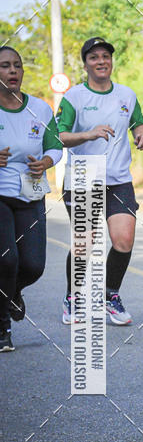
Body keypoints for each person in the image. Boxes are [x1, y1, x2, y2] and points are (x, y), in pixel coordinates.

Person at [56, 37, 143, 326]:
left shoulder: (126, 95)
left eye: (105, 56)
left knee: (124, 240)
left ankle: (109, 296)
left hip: (118, 179)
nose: (101, 61)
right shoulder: (74, 97)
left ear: (111, 61)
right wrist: (89, 134)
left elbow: (138, 122)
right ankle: (73, 297)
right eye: (94, 57)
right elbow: (59, 136)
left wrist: (141, 135)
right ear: (85, 64)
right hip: (84, 175)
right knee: (85, 242)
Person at [0, 46, 63, 351]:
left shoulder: (40, 108)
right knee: (6, 260)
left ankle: (12, 292)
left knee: (33, 266)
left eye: (17, 65)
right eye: (4, 65)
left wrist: (46, 162)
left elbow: (55, 145)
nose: (12, 71)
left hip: (31, 193)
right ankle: (2, 327)